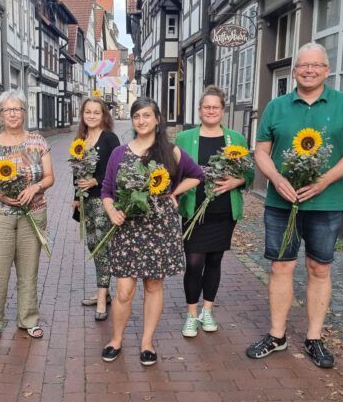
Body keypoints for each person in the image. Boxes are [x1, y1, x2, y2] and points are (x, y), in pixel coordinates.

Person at [246, 42, 343, 368]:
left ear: (327, 70)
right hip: (281, 203)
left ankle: (314, 338)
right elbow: (261, 151)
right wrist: (276, 179)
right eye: (303, 65)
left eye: (316, 65)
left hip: (325, 203)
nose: (309, 70)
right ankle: (277, 336)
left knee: (319, 268)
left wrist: (324, 181)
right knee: (280, 267)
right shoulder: (276, 107)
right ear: (295, 70)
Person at [100, 97, 202, 366]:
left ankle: (147, 343)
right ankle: (116, 339)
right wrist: (111, 211)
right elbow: (106, 190)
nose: (141, 120)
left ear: (157, 119)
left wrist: (172, 192)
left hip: (159, 228)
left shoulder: (171, 151)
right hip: (127, 228)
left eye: (146, 115)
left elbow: (196, 175)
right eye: (137, 116)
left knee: (153, 285)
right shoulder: (119, 153)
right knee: (124, 289)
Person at [0, 90, 55, 340]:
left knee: (29, 271)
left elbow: (49, 177)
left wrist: (35, 187)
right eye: (7, 109)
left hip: (32, 214)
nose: (12, 114)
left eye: (17, 109)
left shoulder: (38, 142)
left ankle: (28, 319)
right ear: (1, 114)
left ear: (24, 112)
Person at [175, 85, 254, 338]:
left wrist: (237, 181)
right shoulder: (184, 138)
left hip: (223, 210)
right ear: (200, 110)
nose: (211, 111)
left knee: (214, 261)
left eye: (215, 107)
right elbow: (173, 172)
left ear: (222, 111)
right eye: (206, 107)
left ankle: (207, 311)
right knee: (193, 262)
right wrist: (173, 193)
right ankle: (191, 315)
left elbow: (249, 172)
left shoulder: (236, 139)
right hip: (193, 209)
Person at [72, 97, 121, 321]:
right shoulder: (80, 139)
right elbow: (77, 170)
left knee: (102, 249)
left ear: (104, 116)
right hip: (86, 202)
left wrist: (95, 181)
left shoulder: (109, 138)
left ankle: (102, 298)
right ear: (82, 114)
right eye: (88, 112)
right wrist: (76, 196)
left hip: (103, 200)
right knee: (93, 245)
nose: (91, 116)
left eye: (96, 112)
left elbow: (116, 169)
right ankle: (105, 291)